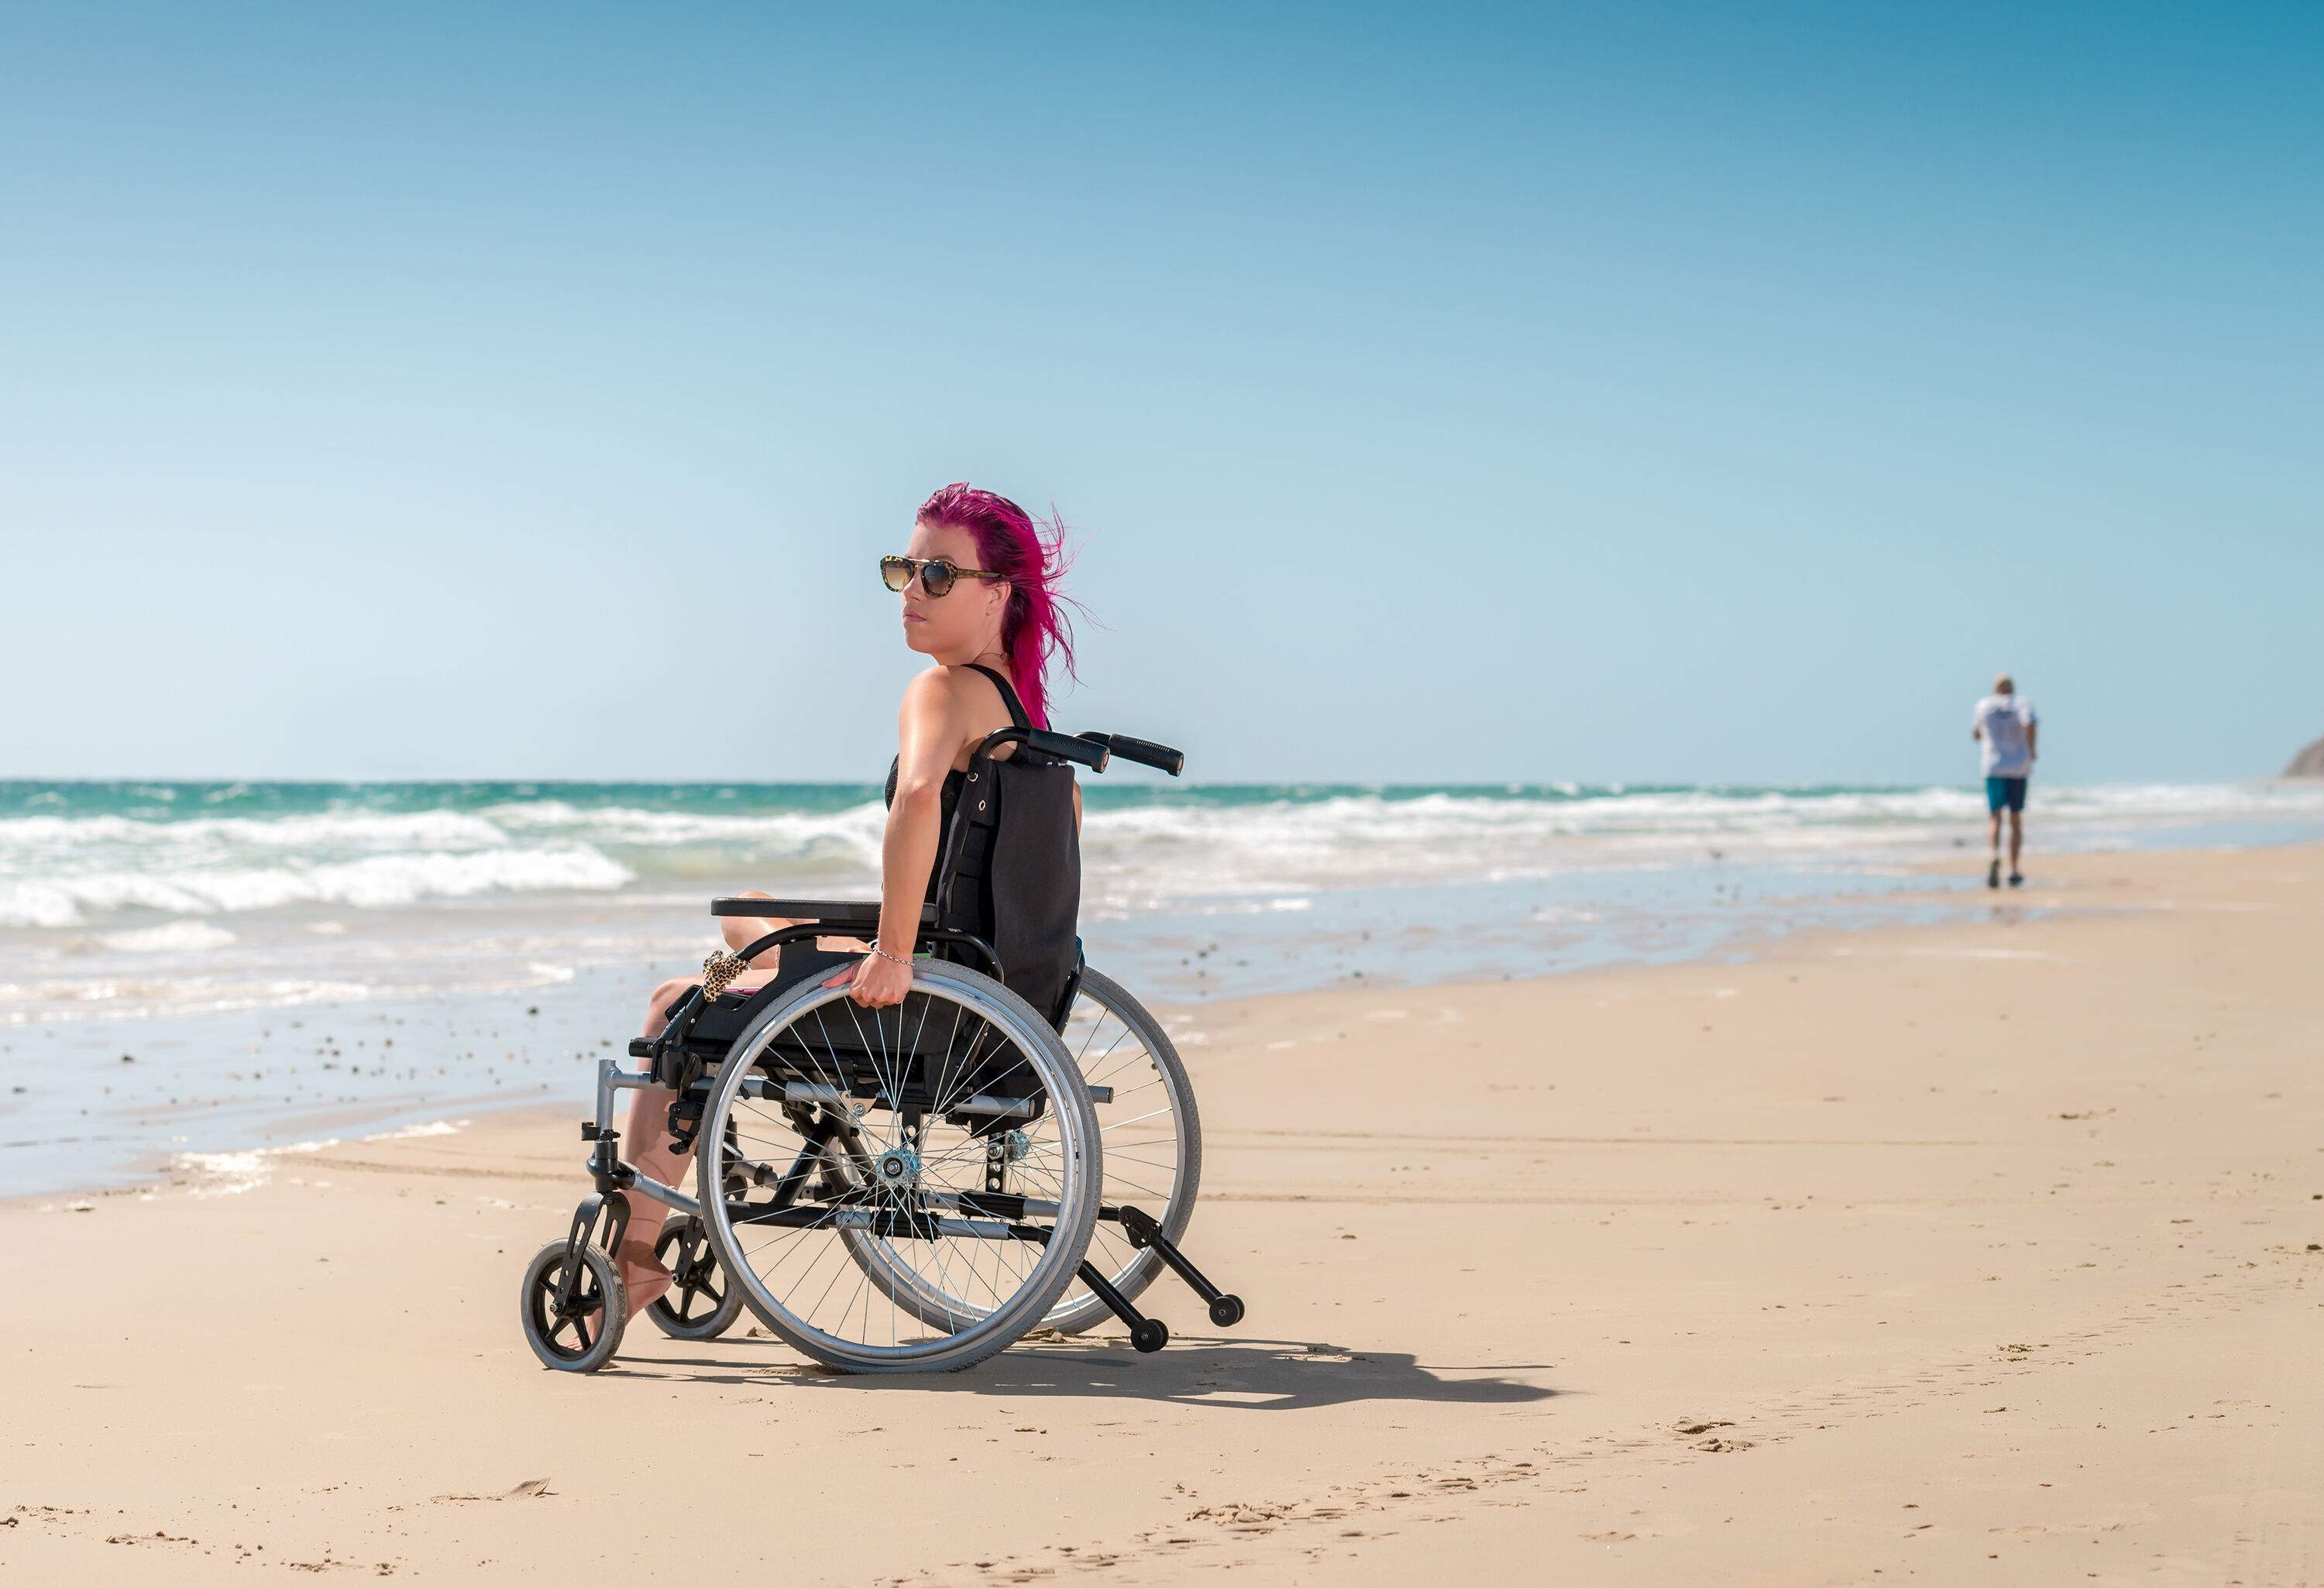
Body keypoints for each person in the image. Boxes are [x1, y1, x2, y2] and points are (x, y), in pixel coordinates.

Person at [613, 483, 1080, 1316]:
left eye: (939, 575)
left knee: (676, 1003)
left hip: (923, 1002)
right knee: (745, 914)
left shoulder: (941, 692)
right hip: (1000, 1003)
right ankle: (736, 990)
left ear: (997, 594)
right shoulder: (1031, 731)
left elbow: (919, 796)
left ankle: (639, 1244)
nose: (912, 592)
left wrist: (894, 951)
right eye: (905, 569)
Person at [1971, 672, 2038, 889]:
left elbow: (1976, 734)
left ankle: (1993, 855)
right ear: (2011, 687)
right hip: (2018, 766)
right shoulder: (2022, 703)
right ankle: (2014, 868)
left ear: (1996, 689)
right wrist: (2031, 750)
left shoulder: (1984, 705)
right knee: (2016, 818)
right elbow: (2030, 724)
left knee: (1995, 816)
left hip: (1993, 765)